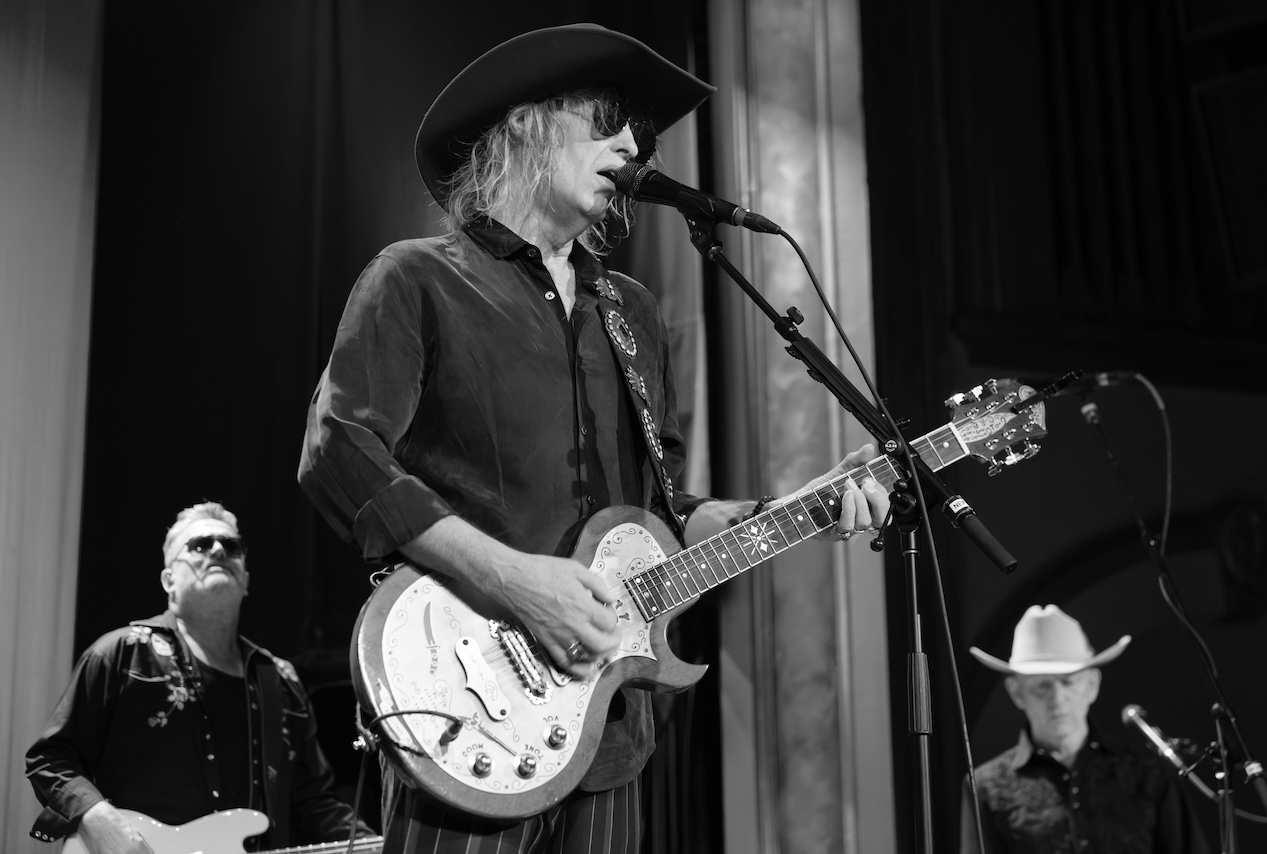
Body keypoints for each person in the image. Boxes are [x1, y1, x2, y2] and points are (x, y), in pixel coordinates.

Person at [296, 22, 890, 854]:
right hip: (465, 709)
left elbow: (664, 518)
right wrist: (512, 578)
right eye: (608, 120)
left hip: (604, 737)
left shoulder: (631, 312)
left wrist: (799, 509)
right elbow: (338, 450)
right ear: (525, 123)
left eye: (640, 133)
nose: (632, 146)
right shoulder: (417, 277)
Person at [25, 501, 376, 852]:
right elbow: (51, 758)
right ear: (169, 580)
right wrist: (100, 819)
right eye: (200, 545)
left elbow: (314, 802)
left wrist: (375, 846)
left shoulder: (281, 681)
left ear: (245, 581)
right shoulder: (120, 654)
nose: (219, 550)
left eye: (232, 546)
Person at [959, 604, 1209, 854]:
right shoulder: (985, 787)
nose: (1057, 699)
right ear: (1017, 692)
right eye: (1042, 685)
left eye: (1068, 682)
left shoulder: (1150, 773)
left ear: (1091, 685)